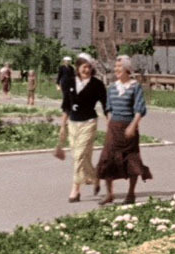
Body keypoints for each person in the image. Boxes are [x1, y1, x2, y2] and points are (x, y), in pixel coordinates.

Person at [96, 55, 152, 205]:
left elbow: (140, 109)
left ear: (127, 69)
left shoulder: (135, 87)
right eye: (115, 67)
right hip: (114, 128)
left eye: (119, 67)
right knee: (107, 159)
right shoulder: (112, 87)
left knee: (131, 160)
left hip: (129, 128)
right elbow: (108, 108)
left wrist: (133, 126)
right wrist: (109, 122)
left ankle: (131, 194)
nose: (116, 70)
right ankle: (109, 194)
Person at [65, 53, 106, 202]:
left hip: (89, 122)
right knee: (81, 155)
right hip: (73, 123)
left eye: (89, 67)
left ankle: (75, 190)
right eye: (84, 67)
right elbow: (66, 105)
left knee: (79, 155)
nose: (86, 70)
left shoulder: (97, 84)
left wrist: (110, 122)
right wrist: (63, 125)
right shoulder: (69, 82)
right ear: (77, 67)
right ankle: (95, 177)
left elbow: (106, 105)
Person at [54, 56, 76, 159]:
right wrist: (57, 84)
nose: (68, 62)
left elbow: (73, 76)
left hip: (70, 83)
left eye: (69, 61)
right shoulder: (62, 68)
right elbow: (59, 76)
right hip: (64, 82)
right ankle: (66, 107)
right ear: (64, 61)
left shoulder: (71, 68)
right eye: (66, 61)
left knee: (70, 95)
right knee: (66, 96)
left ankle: (68, 111)